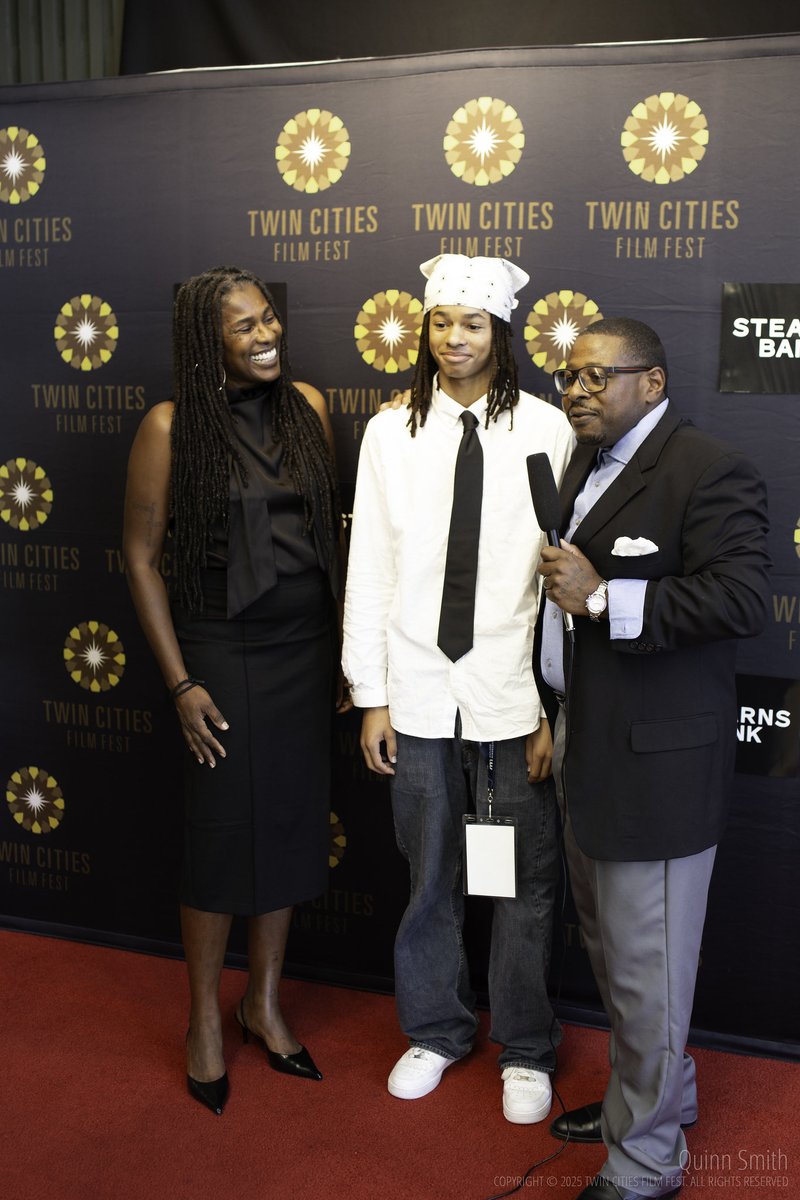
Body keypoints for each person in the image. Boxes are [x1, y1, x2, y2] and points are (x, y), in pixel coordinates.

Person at [536, 317, 770, 1199]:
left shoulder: (707, 467)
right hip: (588, 749)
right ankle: (652, 1097)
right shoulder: (581, 466)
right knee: (615, 956)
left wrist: (604, 599)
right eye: (571, 376)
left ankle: (646, 1161)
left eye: (599, 377)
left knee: (649, 970)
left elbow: (743, 595)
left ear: (654, 382)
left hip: (660, 769)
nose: (579, 390)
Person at [342, 254, 574, 1123]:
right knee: (428, 867)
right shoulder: (389, 431)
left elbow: (561, 579)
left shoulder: (548, 430)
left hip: (512, 693)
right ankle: (437, 1029)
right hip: (419, 686)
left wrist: (554, 706)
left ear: (500, 333)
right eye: (441, 323)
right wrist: (372, 692)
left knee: (521, 878)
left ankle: (525, 1046)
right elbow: (370, 566)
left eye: (471, 325)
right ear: (425, 332)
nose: (453, 339)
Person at [123, 265, 348, 1115]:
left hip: (304, 649)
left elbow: (328, 538)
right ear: (203, 342)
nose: (267, 337)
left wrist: (345, 663)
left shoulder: (311, 409)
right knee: (221, 836)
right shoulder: (170, 427)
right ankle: (204, 1023)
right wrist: (181, 681)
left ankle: (263, 1002)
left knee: (290, 823)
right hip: (218, 650)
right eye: (244, 328)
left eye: (269, 322)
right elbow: (142, 557)